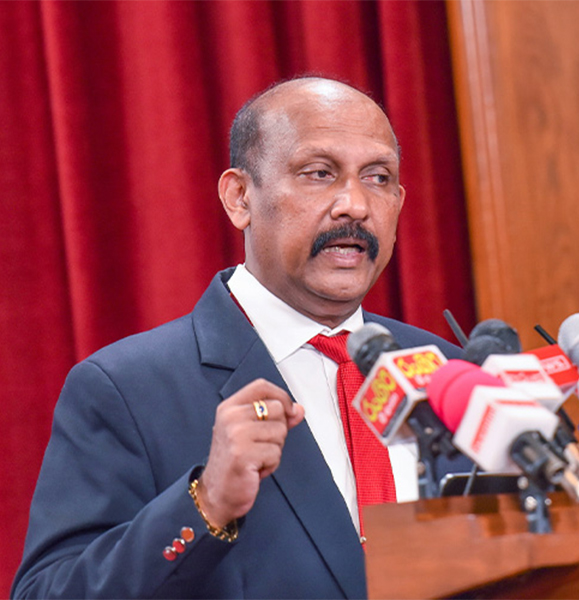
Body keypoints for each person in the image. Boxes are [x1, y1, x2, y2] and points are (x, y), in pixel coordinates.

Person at [12, 77, 468, 599]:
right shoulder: (126, 390)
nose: (355, 205)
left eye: (378, 177)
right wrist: (205, 505)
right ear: (239, 198)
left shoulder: (450, 373)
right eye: (319, 173)